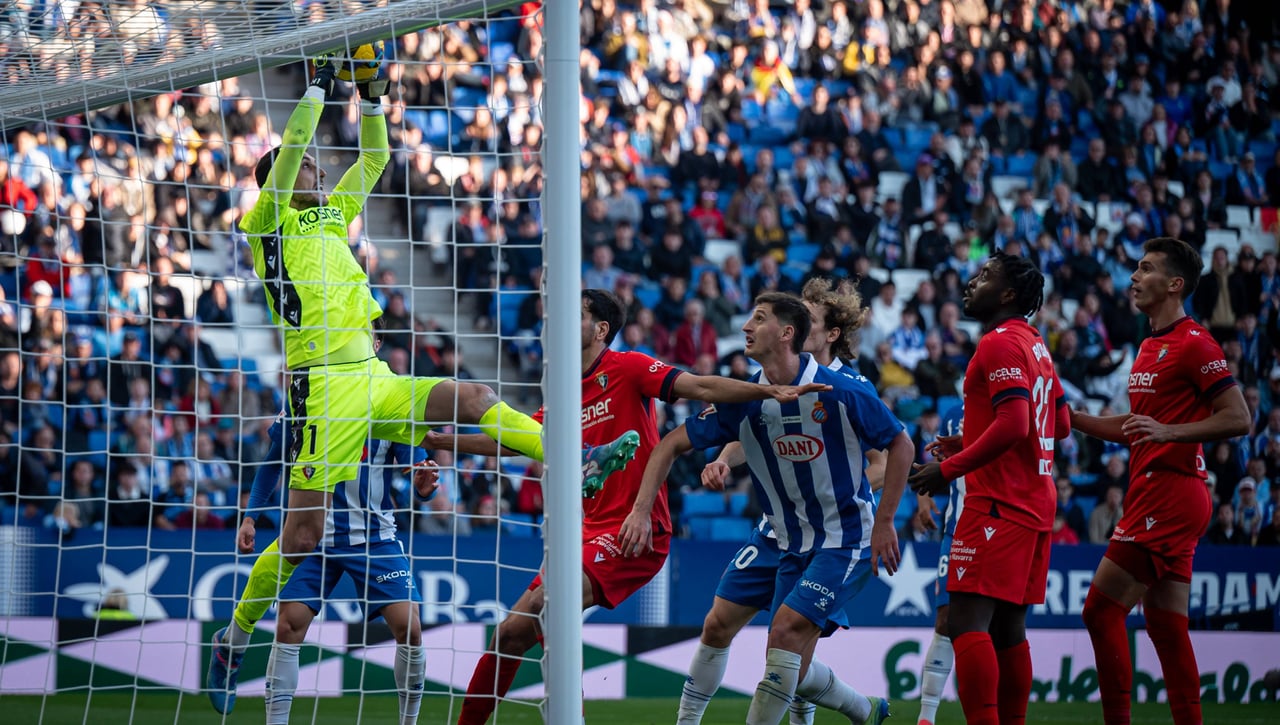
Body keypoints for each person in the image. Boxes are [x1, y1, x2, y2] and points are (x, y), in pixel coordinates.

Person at [210, 59, 545, 710]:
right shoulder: (265, 225)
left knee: (472, 397)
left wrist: (370, 95)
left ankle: (565, 455)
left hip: (372, 372)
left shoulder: (329, 220)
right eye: (308, 167)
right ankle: (234, 634)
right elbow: (295, 148)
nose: (319, 171)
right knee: (303, 536)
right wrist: (316, 83)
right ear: (282, 177)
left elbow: (376, 154)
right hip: (322, 385)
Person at [441, 289, 828, 725]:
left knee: (552, 610)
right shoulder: (565, 392)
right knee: (509, 635)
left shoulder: (628, 367)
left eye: (576, 314)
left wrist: (768, 391)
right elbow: (509, 441)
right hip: (583, 534)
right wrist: (439, 439)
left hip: (635, 530)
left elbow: (698, 385)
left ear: (600, 329)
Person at [622, 292, 914, 725]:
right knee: (747, 637)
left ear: (787, 332)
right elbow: (677, 442)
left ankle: (830, 715)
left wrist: (885, 521)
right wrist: (650, 503)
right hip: (781, 534)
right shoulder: (745, 396)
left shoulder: (845, 390)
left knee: (785, 643)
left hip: (842, 538)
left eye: (757, 318)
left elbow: (900, 445)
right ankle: (865, 711)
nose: (744, 326)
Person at [1071, 237, 1250, 725]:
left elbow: (1239, 417)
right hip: (1164, 488)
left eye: (1145, 268)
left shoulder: (1196, 343)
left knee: (1100, 612)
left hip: (1170, 490)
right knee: (1166, 629)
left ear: (1174, 284)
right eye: (1134, 267)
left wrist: (1170, 431)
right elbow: (1136, 427)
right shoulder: (1150, 344)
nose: (1133, 277)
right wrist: (1075, 418)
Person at [908, 252, 1070, 725]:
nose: (971, 282)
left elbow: (1018, 423)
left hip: (999, 501)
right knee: (1007, 630)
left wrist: (949, 468)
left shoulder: (998, 343)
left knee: (964, 622)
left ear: (1007, 295)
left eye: (984, 277)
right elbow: (1056, 423)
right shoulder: (1036, 343)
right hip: (1034, 501)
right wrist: (973, 433)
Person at [913, 402, 964, 725]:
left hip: (1005, 528)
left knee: (1002, 625)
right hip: (957, 527)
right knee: (945, 620)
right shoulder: (955, 416)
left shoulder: (1019, 407)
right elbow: (939, 464)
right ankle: (926, 718)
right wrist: (923, 494)